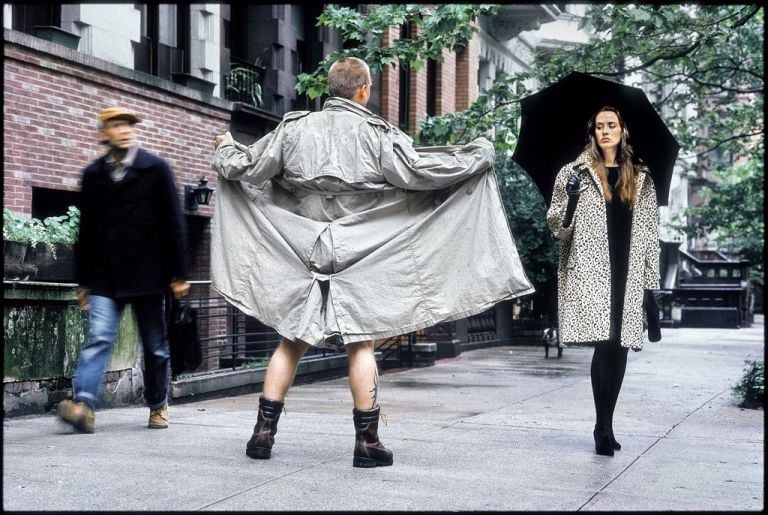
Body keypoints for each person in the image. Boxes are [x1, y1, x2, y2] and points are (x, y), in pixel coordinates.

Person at [211, 57, 534, 467]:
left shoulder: (292, 130)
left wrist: (224, 148)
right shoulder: (378, 135)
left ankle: (262, 434)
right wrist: (479, 154)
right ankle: (367, 443)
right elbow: (419, 172)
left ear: (329, 90)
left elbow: (245, 167)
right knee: (360, 341)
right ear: (363, 90)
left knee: (291, 340)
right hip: (362, 250)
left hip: (302, 246)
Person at [57, 107, 191, 433]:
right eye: (117, 125)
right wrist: (84, 282)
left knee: (155, 345)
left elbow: (175, 223)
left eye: (129, 125)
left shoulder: (156, 169)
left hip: (150, 275)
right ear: (103, 133)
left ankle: (158, 405)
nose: (126, 130)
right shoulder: (92, 175)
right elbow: (85, 232)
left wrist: (178, 275)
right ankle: (84, 405)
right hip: (104, 277)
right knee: (98, 338)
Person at [547, 106, 661, 456]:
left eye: (612, 125)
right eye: (599, 126)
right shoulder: (574, 172)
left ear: (623, 130)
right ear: (592, 132)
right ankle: (602, 427)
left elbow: (651, 232)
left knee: (620, 348)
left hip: (628, 271)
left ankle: (609, 423)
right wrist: (572, 198)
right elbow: (557, 229)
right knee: (603, 346)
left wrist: (650, 284)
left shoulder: (641, 176)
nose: (606, 131)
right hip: (593, 271)